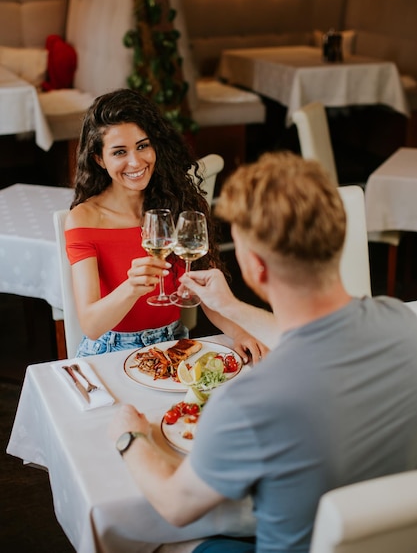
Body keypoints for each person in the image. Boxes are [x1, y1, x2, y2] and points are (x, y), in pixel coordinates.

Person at [109, 151, 417, 553]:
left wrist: (129, 438)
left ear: (255, 268)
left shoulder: (247, 403)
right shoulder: (403, 323)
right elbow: (315, 332)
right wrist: (232, 308)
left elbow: (173, 505)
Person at [65, 88, 265, 359]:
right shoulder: (84, 218)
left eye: (142, 145)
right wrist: (131, 287)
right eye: (119, 152)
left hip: (174, 344)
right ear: (99, 159)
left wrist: (239, 332)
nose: (135, 161)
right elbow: (91, 325)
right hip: (109, 352)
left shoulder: (176, 202)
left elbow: (207, 292)